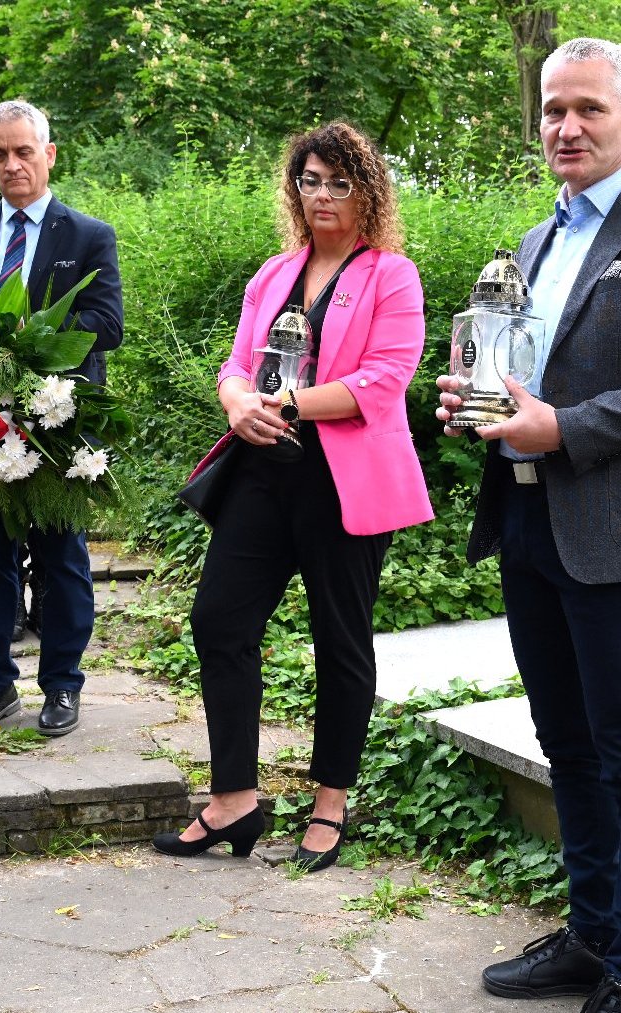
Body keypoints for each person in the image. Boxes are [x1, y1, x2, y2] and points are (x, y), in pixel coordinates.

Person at [435, 39, 621, 1013]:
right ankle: (588, 929)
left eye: (587, 110)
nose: (566, 127)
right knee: (564, 742)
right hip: (527, 522)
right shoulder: (530, 243)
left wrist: (563, 427)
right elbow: (519, 372)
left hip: (615, 531)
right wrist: (474, 404)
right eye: (551, 111)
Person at [152, 121, 431, 872]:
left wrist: (292, 403)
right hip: (264, 473)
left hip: (343, 482)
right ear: (294, 187)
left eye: (340, 183)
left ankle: (331, 800)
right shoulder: (273, 273)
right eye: (310, 181)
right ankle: (236, 797)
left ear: (367, 190)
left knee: (341, 639)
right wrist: (237, 398)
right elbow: (236, 362)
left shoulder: (390, 275)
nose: (323, 196)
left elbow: (385, 378)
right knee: (218, 620)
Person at [0, 99, 122, 738]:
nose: (11, 165)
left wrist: (29, 336)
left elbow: (108, 325)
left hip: (59, 424)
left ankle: (62, 687)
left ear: (49, 153)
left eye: (22, 151)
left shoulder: (88, 235)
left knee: (62, 556)